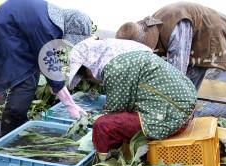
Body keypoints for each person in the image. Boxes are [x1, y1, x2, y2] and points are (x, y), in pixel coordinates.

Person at [0, 0, 93, 136]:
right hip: (5, 28)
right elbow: (48, 63)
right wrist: (70, 104)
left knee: (29, 69)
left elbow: (46, 57)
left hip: (7, 24)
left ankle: (14, 118)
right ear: (70, 27)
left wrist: (57, 85)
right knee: (26, 80)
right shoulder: (47, 27)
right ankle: (9, 135)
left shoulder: (53, 17)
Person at [67, 38, 197, 157]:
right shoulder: (128, 53)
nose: (90, 79)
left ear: (90, 64)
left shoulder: (116, 68)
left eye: (86, 76)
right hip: (184, 105)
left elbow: (114, 111)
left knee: (103, 126)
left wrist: (95, 121)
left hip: (173, 116)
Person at [116, 2, 226, 90]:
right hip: (190, 23)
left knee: (188, 83)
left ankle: (187, 112)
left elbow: (178, 70)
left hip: (210, 31)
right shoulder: (149, 25)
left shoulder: (175, 30)